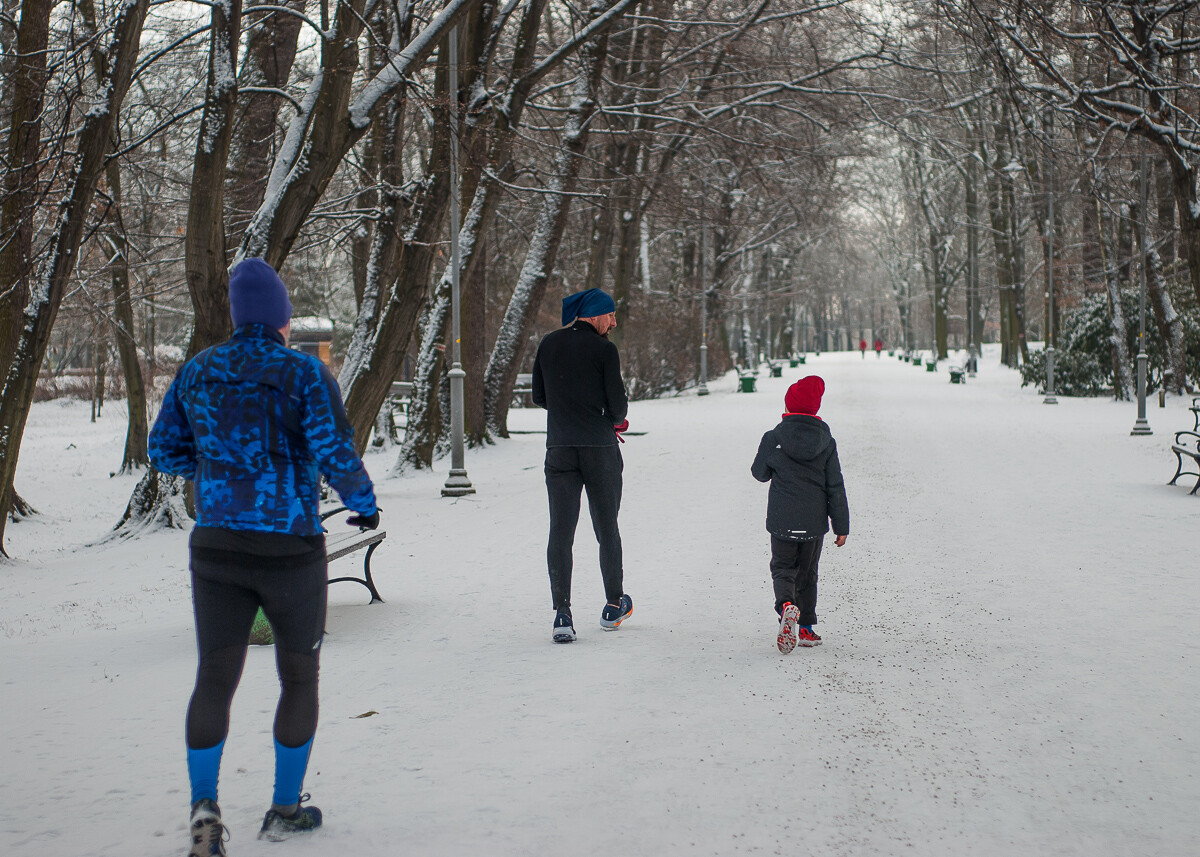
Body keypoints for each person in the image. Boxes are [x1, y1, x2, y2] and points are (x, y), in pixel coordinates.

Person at [149, 258, 379, 856]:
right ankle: (283, 807)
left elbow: (164, 451)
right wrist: (364, 503)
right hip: (291, 548)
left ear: (235, 313)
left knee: (214, 677)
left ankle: (204, 809)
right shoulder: (303, 372)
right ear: (280, 314)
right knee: (298, 675)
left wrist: (215, 467)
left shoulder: (197, 370)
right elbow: (333, 447)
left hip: (217, 545)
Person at [531, 287, 632, 643]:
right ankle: (613, 603)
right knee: (606, 526)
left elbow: (539, 397)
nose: (614, 322)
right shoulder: (604, 350)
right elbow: (618, 408)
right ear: (594, 315)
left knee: (561, 529)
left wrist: (568, 412)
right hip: (599, 450)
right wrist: (606, 417)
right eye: (611, 315)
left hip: (559, 448)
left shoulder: (548, 344)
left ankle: (562, 613)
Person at [750, 375, 849, 653]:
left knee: (783, 569)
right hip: (813, 524)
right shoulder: (826, 441)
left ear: (788, 406)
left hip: (782, 520)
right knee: (807, 574)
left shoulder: (773, 437)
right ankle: (806, 628)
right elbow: (835, 486)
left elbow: (759, 473)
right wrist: (841, 524)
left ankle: (785, 607)